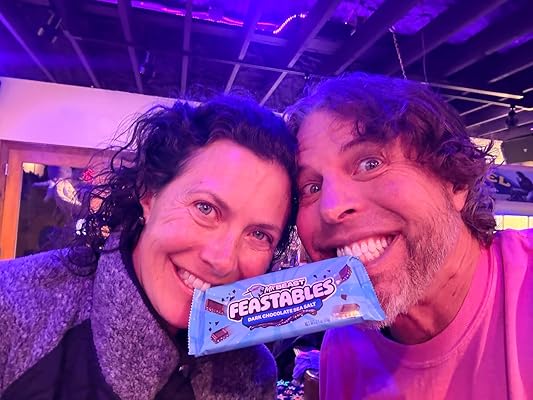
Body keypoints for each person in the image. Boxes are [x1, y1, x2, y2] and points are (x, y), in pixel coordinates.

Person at [0, 96, 299, 399]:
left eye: (259, 235)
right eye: (205, 208)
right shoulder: (11, 305)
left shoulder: (252, 373)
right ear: (149, 194)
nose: (221, 260)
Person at [286, 73, 533, 399]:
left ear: (455, 181)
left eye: (370, 163)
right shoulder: (343, 345)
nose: (330, 208)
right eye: (311, 188)